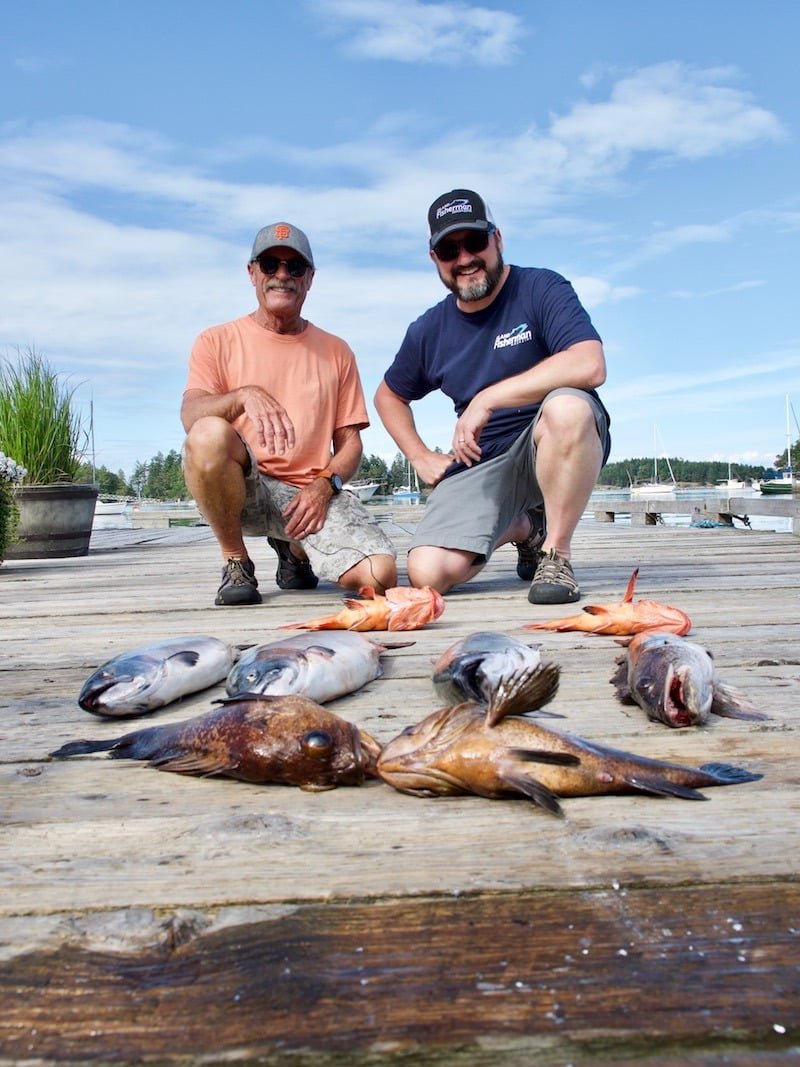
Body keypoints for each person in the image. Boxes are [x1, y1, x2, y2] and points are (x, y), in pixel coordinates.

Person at [375, 189, 611, 605]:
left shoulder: (541, 287)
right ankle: (525, 527)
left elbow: (589, 363)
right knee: (427, 572)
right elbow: (388, 396)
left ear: (497, 239)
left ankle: (555, 553)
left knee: (568, 408)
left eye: (474, 242)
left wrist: (487, 398)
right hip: (482, 461)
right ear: (435, 260)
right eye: (449, 249)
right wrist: (418, 456)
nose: (464, 257)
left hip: (550, 443)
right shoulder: (428, 330)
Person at [181, 222, 397, 606]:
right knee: (207, 433)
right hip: (243, 488)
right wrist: (243, 396)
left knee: (380, 578)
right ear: (252, 272)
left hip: (307, 494)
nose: (282, 275)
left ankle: (295, 550)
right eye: (270, 264)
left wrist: (324, 485)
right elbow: (190, 415)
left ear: (310, 279)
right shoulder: (215, 340)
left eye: (294, 268)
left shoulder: (336, 351)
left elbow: (350, 445)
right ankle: (236, 562)